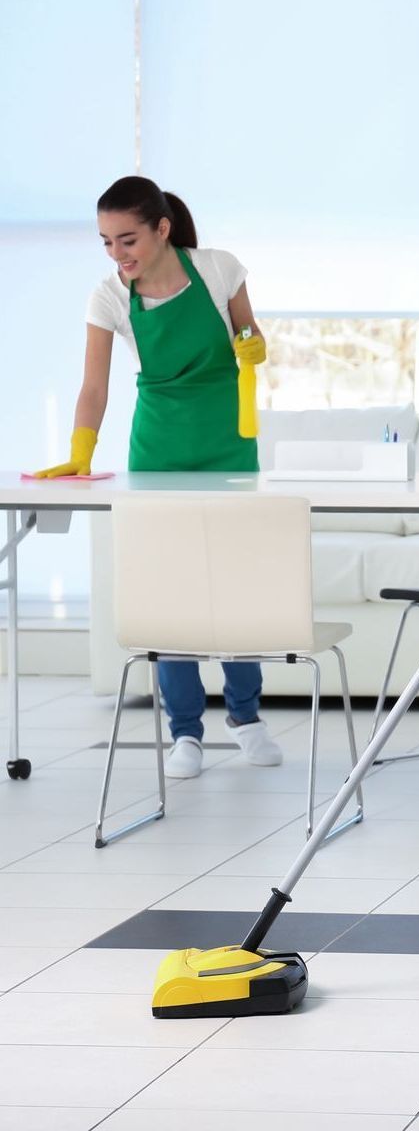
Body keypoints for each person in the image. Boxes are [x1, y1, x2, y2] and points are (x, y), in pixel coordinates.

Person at [34, 176, 281, 780]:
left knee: (236, 587)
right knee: (174, 593)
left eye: (128, 239)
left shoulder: (218, 269)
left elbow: (249, 335)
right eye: (106, 242)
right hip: (159, 449)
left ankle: (246, 717)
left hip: (228, 445)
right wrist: (81, 450)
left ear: (162, 228)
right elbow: (95, 386)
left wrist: (253, 347)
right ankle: (185, 732)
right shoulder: (108, 298)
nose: (117, 253)